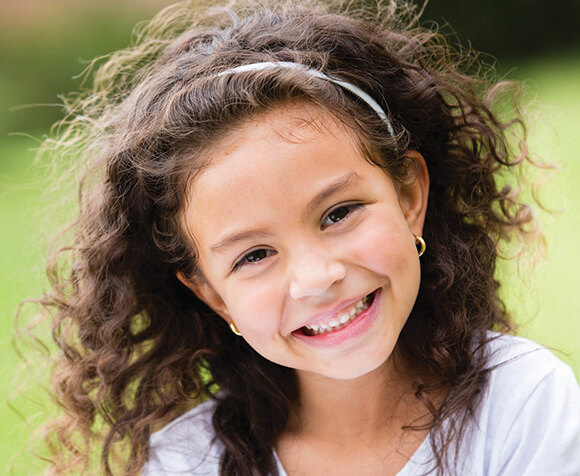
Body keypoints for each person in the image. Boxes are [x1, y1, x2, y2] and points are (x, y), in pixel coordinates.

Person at [34, 0, 579, 474]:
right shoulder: (184, 460)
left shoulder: (522, 405)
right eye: (254, 255)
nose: (318, 278)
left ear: (409, 198)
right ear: (211, 293)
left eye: (339, 213)